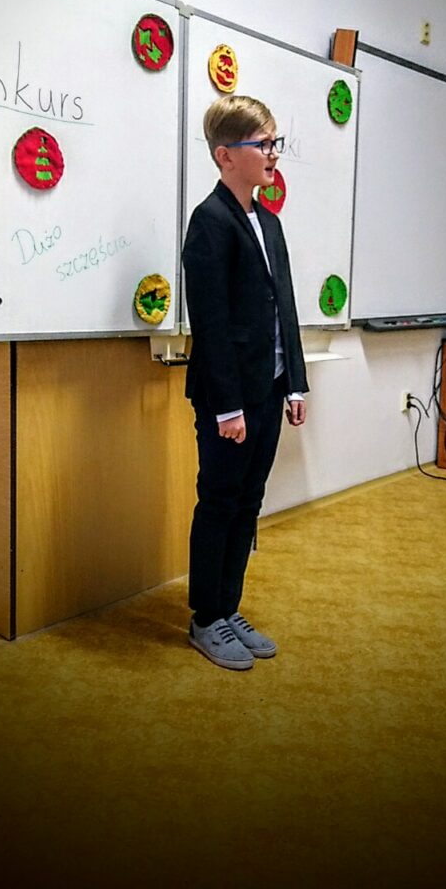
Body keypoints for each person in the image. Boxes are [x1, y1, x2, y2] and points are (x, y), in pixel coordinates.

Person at [182, 94, 308, 671]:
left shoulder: (270, 222)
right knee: (220, 501)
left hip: (269, 387)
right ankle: (205, 617)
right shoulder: (209, 222)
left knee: (249, 501)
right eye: (264, 144)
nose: (273, 154)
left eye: (275, 143)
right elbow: (209, 325)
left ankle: (228, 607)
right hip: (227, 399)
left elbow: (286, 308)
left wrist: (296, 383)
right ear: (226, 155)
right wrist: (227, 408)